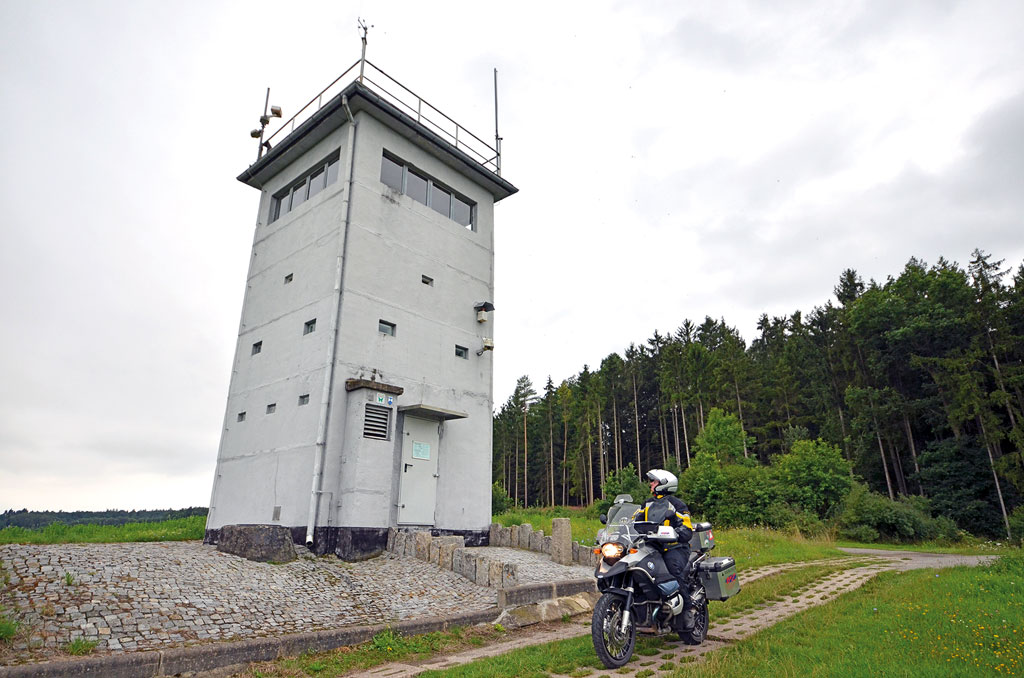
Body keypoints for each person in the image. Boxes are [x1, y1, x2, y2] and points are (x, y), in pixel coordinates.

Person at [636, 468, 696, 630]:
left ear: (664, 484)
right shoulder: (647, 504)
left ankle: (688, 610)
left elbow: (687, 528)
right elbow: (635, 522)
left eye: (653, 481)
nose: (650, 484)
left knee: (673, 570)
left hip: (675, 547)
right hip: (652, 547)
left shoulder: (677, 504)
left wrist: (677, 532)